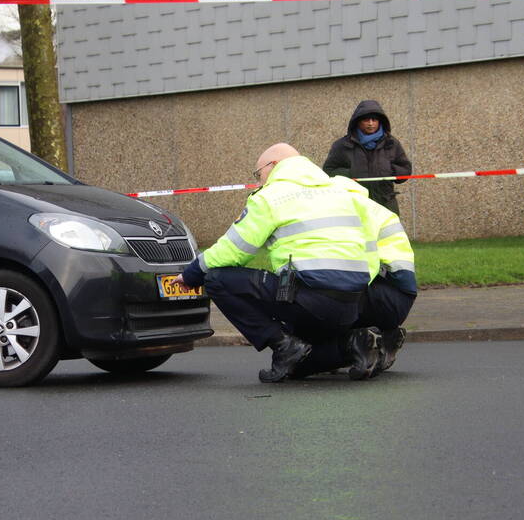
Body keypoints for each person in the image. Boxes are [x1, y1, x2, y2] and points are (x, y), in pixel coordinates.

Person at [174, 143, 377, 383]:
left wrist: (192, 273)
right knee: (297, 367)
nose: (258, 182)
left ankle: (282, 344)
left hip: (311, 298)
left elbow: (235, 249)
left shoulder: (272, 196)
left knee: (216, 279)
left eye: (258, 174)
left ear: (274, 165)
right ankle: (352, 344)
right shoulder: (341, 192)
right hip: (353, 302)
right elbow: (369, 248)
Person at [292, 181, 418, 380]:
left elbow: (363, 269)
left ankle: (355, 347)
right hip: (401, 297)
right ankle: (385, 339)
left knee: (327, 306)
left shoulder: (349, 213)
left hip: (378, 292)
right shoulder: (377, 209)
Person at [322, 100, 412, 214]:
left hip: (386, 205)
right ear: (358, 122)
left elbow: (405, 170)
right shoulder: (342, 145)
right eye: (366, 120)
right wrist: (351, 173)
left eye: (374, 120)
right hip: (354, 206)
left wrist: (388, 171)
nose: (370, 123)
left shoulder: (391, 143)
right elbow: (328, 171)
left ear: (380, 122)